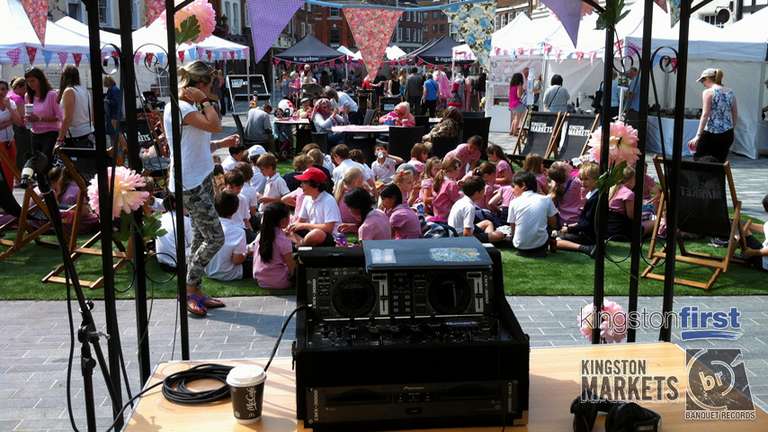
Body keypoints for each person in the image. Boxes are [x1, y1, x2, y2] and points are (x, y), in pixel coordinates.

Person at [163, 60, 239, 317]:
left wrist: (221, 144)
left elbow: (195, 146)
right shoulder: (183, 108)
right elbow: (215, 123)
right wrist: (205, 103)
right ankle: (188, 288)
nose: (212, 91)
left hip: (201, 176)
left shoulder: (189, 108)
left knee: (199, 237)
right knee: (215, 237)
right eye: (210, 86)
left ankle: (195, 289)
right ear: (199, 85)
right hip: (190, 182)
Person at [688, 68, 738, 162]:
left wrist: (698, 135)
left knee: (700, 159)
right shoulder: (730, 92)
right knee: (720, 163)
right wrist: (732, 129)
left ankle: (703, 177)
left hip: (711, 133)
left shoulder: (708, 92)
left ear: (707, 79)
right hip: (727, 133)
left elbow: (705, 115)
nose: (703, 84)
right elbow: (735, 113)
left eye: (702, 81)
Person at [506, 171, 558, 257]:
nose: (512, 190)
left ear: (523, 185)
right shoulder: (546, 199)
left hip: (520, 246)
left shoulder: (513, 202)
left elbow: (513, 227)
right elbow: (553, 223)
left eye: (514, 186)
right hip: (540, 246)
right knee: (550, 228)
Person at [288, 167, 341, 246]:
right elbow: (300, 221)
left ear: (315, 184)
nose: (301, 185)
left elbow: (328, 228)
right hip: (311, 232)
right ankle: (302, 245)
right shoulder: (307, 198)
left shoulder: (328, 200)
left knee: (316, 233)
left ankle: (301, 245)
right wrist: (290, 227)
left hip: (328, 236)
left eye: (304, 182)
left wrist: (304, 225)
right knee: (283, 229)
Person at [555, 162, 600, 256]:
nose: (583, 182)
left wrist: (570, 230)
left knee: (556, 240)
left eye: (586, 179)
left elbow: (587, 224)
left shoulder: (595, 198)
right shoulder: (593, 195)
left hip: (589, 236)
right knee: (557, 234)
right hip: (589, 233)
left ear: (596, 179)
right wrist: (571, 226)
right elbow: (584, 220)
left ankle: (585, 248)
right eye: (581, 179)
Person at [205, 191, 250, 281]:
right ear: (236, 209)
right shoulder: (238, 232)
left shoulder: (206, 226)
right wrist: (247, 252)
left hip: (207, 270)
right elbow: (237, 260)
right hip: (228, 273)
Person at [449, 176, 505, 243]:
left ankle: (488, 241)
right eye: (483, 191)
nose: (484, 194)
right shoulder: (469, 207)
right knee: (499, 235)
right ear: (477, 193)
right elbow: (466, 234)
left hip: (455, 233)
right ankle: (487, 243)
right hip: (461, 238)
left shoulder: (461, 201)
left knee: (487, 223)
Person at [253, 202, 296, 289]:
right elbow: (292, 267)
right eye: (289, 216)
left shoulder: (261, 235)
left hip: (260, 280)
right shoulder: (283, 240)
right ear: (283, 221)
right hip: (280, 281)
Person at [24, 68, 61, 163]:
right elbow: (28, 114)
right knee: (36, 165)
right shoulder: (28, 96)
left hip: (50, 134)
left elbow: (59, 117)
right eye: (28, 81)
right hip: (34, 133)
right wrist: (27, 119)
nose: (30, 84)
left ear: (40, 79)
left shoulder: (52, 95)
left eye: (33, 80)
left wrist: (39, 118)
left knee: (46, 164)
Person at [156, 194, 192, 271]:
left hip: (162, 262)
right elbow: (192, 243)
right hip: (180, 263)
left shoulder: (160, 218)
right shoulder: (185, 221)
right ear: (176, 204)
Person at [547, 161, 584, 227]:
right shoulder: (575, 183)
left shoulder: (556, 184)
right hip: (575, 220)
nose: (566, 162)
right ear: (565, 172)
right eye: (564, 164)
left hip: (562, 220)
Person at [0, 80, 22, 187]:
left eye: (3, 89)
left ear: (7, 91)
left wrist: (9, 107)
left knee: (11, 170)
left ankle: (9, 197)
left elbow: (18, 121)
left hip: (10, 142)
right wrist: (10, 121)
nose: (1, 92)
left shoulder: (11, 103)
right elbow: (13, 120)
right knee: (4, 171)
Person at [740, 194, 768, 272]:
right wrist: (747, 224)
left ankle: (744, 255)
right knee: (742, 228)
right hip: (763, 257)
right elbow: (765, 228)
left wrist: (752, 252)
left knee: (741, 230)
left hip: (764, 263)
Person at [429, 157, 462, 223]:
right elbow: (458, 201)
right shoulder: (451, 184)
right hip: (447, 218)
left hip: (437, 215)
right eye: (459, 168)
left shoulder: (440, 180)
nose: (459, 171)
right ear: (453, 169)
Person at [9, 78, 29, 174]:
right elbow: (22, 116)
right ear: (18, 87)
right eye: (25, 88)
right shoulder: (18, 98)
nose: (26, 90)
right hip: (20, 128)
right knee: (23, 151)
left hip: (11, 127)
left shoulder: (9, 96)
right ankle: (21, 173)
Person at [103, 76, 124, 150]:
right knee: (113, 134)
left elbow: (117, 102)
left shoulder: (114, 90)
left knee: (116, 135)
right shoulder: (110, 89)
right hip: (112, 115)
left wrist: (107, 101)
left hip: (115, 115)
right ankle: (115, 151)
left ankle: (119, 151)